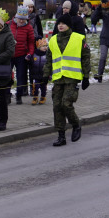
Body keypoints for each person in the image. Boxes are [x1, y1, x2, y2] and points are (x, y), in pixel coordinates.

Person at [43, 14, 91, 146]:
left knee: (66, 104)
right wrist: (44, 76)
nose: (60, 25)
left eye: (63, 23)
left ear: (69, 25)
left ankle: (76, 125)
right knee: (57, 106)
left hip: (72, 78)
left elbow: (86, 58)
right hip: (58, 78)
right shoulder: (53, 40)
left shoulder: (78, 38)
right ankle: (61, 136)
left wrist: (86, 76)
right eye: (59, 23)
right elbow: (49, 60)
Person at [8, 5, 38, 104]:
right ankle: (7, 95)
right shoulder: (9, 25)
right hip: (9, 54)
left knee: (21, 77)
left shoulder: (28, 27)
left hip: (22, 55)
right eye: (20, 18)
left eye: (23, 19)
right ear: (16, 17)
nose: (21, 21)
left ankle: (19, 95)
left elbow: (31, 42)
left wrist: (30, 53)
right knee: (7, 76)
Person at [30, 36, 49, 105]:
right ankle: (35, 98)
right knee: (36, 87)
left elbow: (50, 65)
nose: (45, 47)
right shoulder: (34, 55)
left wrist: (49, 75)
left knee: (43, 87)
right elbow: (31, 65)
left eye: (46, 46)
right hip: (36, 74)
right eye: (43, 46)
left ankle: (43, 97)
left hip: (44, 75)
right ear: (38, 47)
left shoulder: (47, 55)